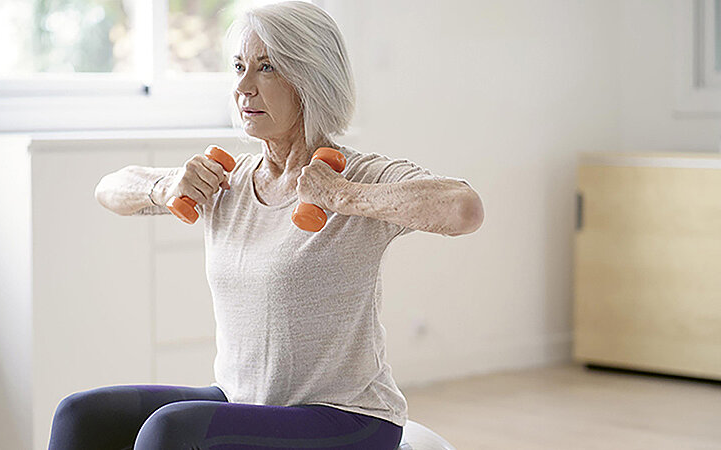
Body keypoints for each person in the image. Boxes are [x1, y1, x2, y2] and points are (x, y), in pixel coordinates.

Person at [49, 2, 484, 449]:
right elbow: (109, 189)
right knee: (82, 415)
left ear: (310, 80)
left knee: (171, 430)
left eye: (267, 67)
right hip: (246, 401)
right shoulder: (227, 180)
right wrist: (165, 186)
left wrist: (343, 197)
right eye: (238, 66)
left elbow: (463, 208)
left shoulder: (353, 176)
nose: (242, 86)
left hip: (349, 419)